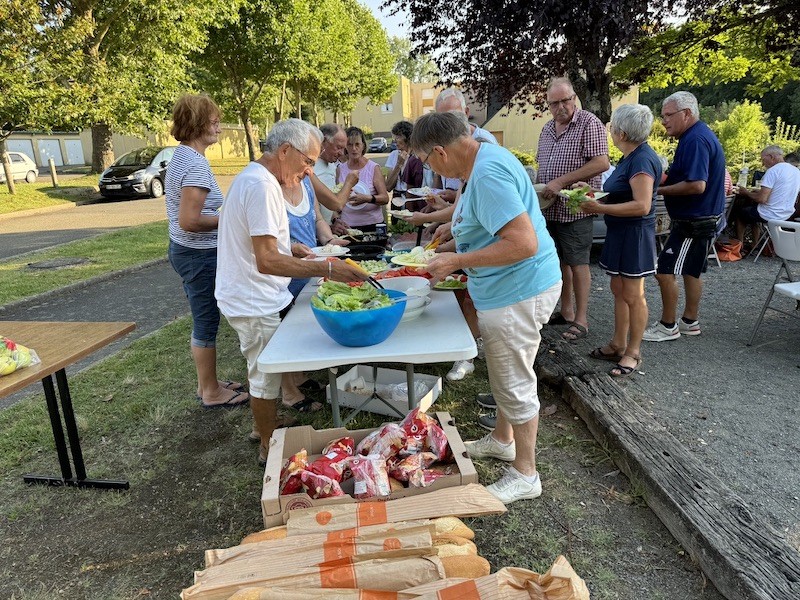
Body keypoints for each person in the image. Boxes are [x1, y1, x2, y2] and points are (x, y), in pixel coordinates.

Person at [411, 111, 562, 504]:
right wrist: (456, 233)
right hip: (511, 289)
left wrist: (455, 261)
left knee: (514, 382)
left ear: (441, 152)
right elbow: (486, 224)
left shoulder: (488, 174)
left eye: (428, 162)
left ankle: (526, 474)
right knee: (503, 373)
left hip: (518, 292)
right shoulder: (484, 158)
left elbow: (522, 243)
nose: (434, 171)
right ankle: (502, 440)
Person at [215, 119, 367, 464]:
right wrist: (328, 267)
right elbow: (266, 260)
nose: (308, 171)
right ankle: (267, 446)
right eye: (308, 161)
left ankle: (265, 424)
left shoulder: (256, 178)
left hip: (252, 293)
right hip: (252, 297)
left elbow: (262, 243)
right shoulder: (263, 187)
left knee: (267, 369)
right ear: (285, 151)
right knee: (264, 374)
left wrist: (293, 247)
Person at [165, 94, 248, 409]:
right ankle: (212, 393)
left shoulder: (184, 156)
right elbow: (189, 220)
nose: (219, 128)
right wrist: (230, 218)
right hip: (197, 255)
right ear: (197, 124)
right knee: (206, 320)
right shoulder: (195, 164)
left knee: (203, 318)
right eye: (214, 122)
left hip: (187, 252)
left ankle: (207, 385)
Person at [579, 104, 662, 377]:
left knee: (633, 295)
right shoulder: (629, 157)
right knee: (618, 288)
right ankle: (617, 342)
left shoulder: (641, 160)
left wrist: (600, 209)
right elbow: (619, 192)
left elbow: (641, 205)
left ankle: (633, 352)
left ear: (622, 132)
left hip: (634, 235)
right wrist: (592, 192)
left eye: (612, 126)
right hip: (620, 233)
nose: (610, 131)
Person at [643, 91, 726, 342]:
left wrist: (656, 190)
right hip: (704, 217)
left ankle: (668, 326)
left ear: (687, 114)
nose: (664, 121)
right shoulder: (698, 135)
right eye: (662, 116)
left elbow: (697, 185)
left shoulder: (695, 140)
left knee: (663, 270)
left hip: (694, 220)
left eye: (668, 115)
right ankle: (690, 321)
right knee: (692, 270)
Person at [537, 77, 610, 342]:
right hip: (549, 209)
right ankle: (566, 311)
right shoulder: (546, 129)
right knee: (560, 262)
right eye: (553, 103)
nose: (560, 107)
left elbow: (601, 162)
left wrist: (560, 181)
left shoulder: (589, 123)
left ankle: (581, 320)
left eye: (564, 101)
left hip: (576, 208)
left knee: (579, 263)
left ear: (574, 98)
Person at [734, 145, 800, 247]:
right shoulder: (796, 171)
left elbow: (762, 199)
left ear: (771, 157)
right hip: (787, 214)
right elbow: (778, 192)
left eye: (763, 159)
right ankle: (754, 244)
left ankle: (739, 245)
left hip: (770, 214)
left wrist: (746, 192)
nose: (762, 163)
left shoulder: (773, 171)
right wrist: (758, 193)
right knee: (752, 211)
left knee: (740, 213)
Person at [337, 126, 389, 231]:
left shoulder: (373, 168)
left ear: (363, 146)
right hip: (348, 226)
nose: (354, 148)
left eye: (357, 144)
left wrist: (367, 199)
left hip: (373, 224)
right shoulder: (340, 169)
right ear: (345, 147)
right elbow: (336, 199)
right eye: (350, 145)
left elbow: (385, 198)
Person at [313, 123, 357, 234]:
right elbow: (336, 203)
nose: (341, 153)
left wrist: (334, 220)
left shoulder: (332, 165)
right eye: (338, 147)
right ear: (323, 142)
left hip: (325, 233)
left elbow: (327, 199)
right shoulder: (310, 167)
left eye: (343, 148)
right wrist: (348, 184)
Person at [385, 120, 424, 210]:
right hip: (397, 201)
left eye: (398, 137)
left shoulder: (418, 156)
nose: (395, 140)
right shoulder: (393, 155)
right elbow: (388, 186)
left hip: (414, 201)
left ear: (408, 137)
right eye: (395, 136)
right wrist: (399, 164)